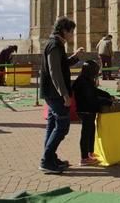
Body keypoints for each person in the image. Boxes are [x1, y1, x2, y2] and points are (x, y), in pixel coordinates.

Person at [39, 17, 84, 174]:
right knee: (62, 127)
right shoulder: (54, 46)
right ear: (64, 31)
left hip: (51, 93)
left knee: (52, 126)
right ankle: (46, 160)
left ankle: (50, 158)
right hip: (55, 94)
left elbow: (61, 64)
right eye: (71, 32)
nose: (72, 35)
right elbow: (55, 72)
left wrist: (75, 56)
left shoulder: (56, 45)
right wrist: (64, 94)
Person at [72, 60, 113, 166]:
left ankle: (90, 153)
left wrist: (107, 95)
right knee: (86, 134)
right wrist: (108, 101)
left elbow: (95, 91)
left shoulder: (85, 79)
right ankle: (84, 158)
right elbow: (92, 98)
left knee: (91, 131)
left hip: (88, 110)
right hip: (85, 111)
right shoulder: (84, 82)